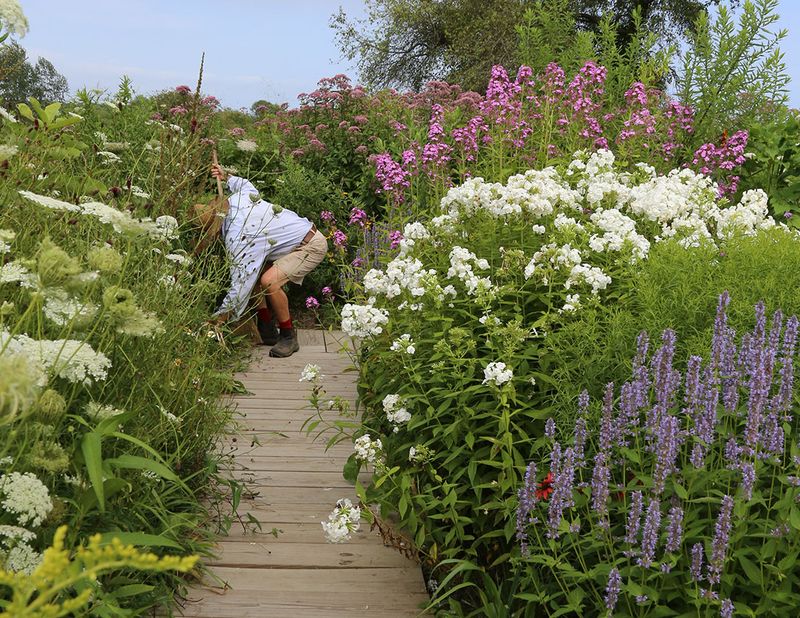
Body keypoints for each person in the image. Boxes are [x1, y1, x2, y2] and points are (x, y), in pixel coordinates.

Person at [208, 163, 328, 357]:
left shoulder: (238, 235)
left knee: (269, 282)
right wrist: (226, 176)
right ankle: (267, 330)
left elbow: (239, 286)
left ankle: (289, 337)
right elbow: (245, 184)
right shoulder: (239, 198)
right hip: (294, 243)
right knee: (255, 278)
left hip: (311, 245)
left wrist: (218, 320)